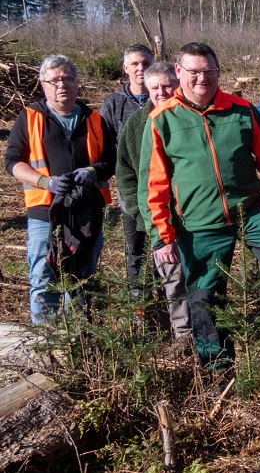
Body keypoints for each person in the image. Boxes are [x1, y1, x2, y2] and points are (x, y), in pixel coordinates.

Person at [141, 42, 260, 368]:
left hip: (249, 210)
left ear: (218, 72)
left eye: (209, 71)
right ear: (179, 72)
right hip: (198, 221)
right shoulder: (162, 120)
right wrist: (161, 235)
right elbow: (154, 185)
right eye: (194, 72)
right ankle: (217, 363)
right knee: (204, 293)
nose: (202, 78)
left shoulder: (241, 111)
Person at [5, 55, 114, 323]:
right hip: (45, 211)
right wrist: (46, 182)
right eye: (54, 80)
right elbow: (12, 163)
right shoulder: (29, 117)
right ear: (44, 85)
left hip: (87, 211)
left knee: (83, 279)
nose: (61, 85)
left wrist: (91, 171)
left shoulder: (94, 118)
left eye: (67, 79)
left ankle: (77, 343)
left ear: (77, 84)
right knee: (44, 278)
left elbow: (110, 161)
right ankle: (47, 344)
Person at [115, 62, 191, 341]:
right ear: (146, 89)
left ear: (177, 84)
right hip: (155, 218)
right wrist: (139, 212)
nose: (161, 92)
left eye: (167, 86)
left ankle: (205, 329)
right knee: (172, 278)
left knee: (194, 275)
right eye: (155, 87)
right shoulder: (136, 125)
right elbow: (124, 173)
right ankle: (182, 334)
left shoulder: (189, 116)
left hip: (191, 213)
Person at [101, 44, 154, 292]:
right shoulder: (113, 104)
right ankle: (140, 307)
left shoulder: (164, 97)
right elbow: (106, 148)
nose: (140, 68)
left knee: (168, 248)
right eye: (135, 64)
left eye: (145, 63)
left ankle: (171, 306)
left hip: (167, 190)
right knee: (136, 249)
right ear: (125, 68)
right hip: (131, 191)